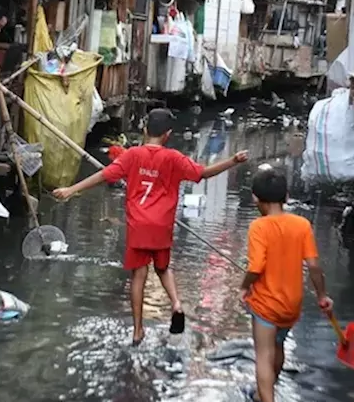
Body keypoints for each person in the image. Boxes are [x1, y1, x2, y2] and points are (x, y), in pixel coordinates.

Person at [53, 108, 248, 345]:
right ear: (167, 135)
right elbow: (204, 174)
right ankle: (176, 303)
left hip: (139, 225)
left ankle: (137, 330)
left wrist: (71, 190)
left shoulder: (132, 155)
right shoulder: (174, 158)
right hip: (162, 225)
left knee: (139, 275)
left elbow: (104, 175)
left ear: (145, 130)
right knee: (163, 268)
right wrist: (233, 160)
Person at [239, 164, 332, 402]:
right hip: (292, 305)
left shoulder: (258, 226)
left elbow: (256, 266)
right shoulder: (302, 225)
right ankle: (263, 392)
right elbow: (314, 266)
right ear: (287, 195)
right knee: (278, 347)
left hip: (266, 305)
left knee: (263, 356)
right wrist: (322, 296)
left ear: (255, 198)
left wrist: (244, 287)